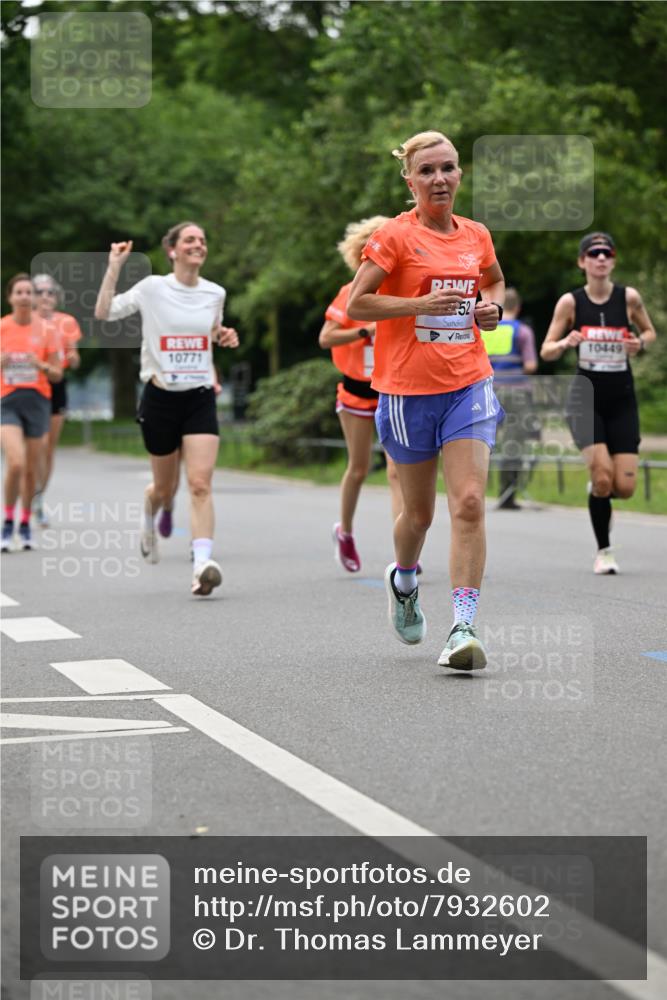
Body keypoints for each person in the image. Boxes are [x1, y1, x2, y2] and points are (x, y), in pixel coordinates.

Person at [347, 130, 505, 671]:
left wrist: (492, 310)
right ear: (410, 180)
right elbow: (358, 303)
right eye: (428, 171)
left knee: (468, 502)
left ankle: (463, 625)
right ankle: (405, 579)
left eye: (449, 168)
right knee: (418, 516)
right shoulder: (394, 237)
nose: (440, 179)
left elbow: (495, 284)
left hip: (469, 382)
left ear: (460, 174)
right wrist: (417, 305)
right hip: (407, 393)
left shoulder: (476, 235)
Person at [94, 222, 239, 595]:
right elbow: (104, 312)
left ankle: (202, 562)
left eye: (203, 240)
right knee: (164, 487)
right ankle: (150, 509)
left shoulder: (214, 293)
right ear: (172, 250)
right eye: (190, 239)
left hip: (200, 395)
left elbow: (209, 332)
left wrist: (222, 335)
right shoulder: (153, 288)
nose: (198, 244)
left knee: (200, 483)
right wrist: (114, 266)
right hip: (160, 397)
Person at [541, 232, 656, 574]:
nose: (601, 258)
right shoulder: (571, 303)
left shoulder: (629, 298)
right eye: (594, 253)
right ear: (582, 262)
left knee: (625, 486)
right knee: (604, 477)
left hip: (622, 398)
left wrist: (640, 343)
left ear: (613, 260)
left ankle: (599, 488)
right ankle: (604, 551)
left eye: (607, 253)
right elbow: (547, 348)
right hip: (584, 398)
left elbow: (649, 332)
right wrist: (565, 341)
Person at [319, 216, 404, 573]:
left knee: (398, 472)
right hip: (356, 391)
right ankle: (346, 531)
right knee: (359, 467)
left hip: (396, 388)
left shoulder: (403, 291)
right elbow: (326, 338)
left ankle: (404, 553)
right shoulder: (350, 291)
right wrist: (362, 332)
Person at [1, 273, 61, 552]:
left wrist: (41, 366)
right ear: (10, 297)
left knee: (30, 471)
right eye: (20, 292)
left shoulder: (47, 330)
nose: (25, 296)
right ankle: (7, 521)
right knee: (16, 462)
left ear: (34, 299)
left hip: (38, 401)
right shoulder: (1, 328)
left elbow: (58, 373)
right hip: (7, 401)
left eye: (29, 292)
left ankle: (25, 524)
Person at [31, 274, 83, 527]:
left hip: (55, 383)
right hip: (27, 384)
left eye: (50, 292)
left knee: (47, 447)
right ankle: (25, 494)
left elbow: (74, 356)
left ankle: (39, 498)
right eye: (39, 292)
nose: (45, 297)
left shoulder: (66, 322)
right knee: (32, 446)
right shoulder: (22, 323)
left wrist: (72, 358)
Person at [480, 287, 538, 509]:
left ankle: (478, 490)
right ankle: (508, 494)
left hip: (488, 390)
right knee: (514, 442)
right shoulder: (522, 332)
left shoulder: (485, 330)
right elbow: (531, 365)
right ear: (519, 307)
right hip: (516, 392)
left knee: (484, 442)